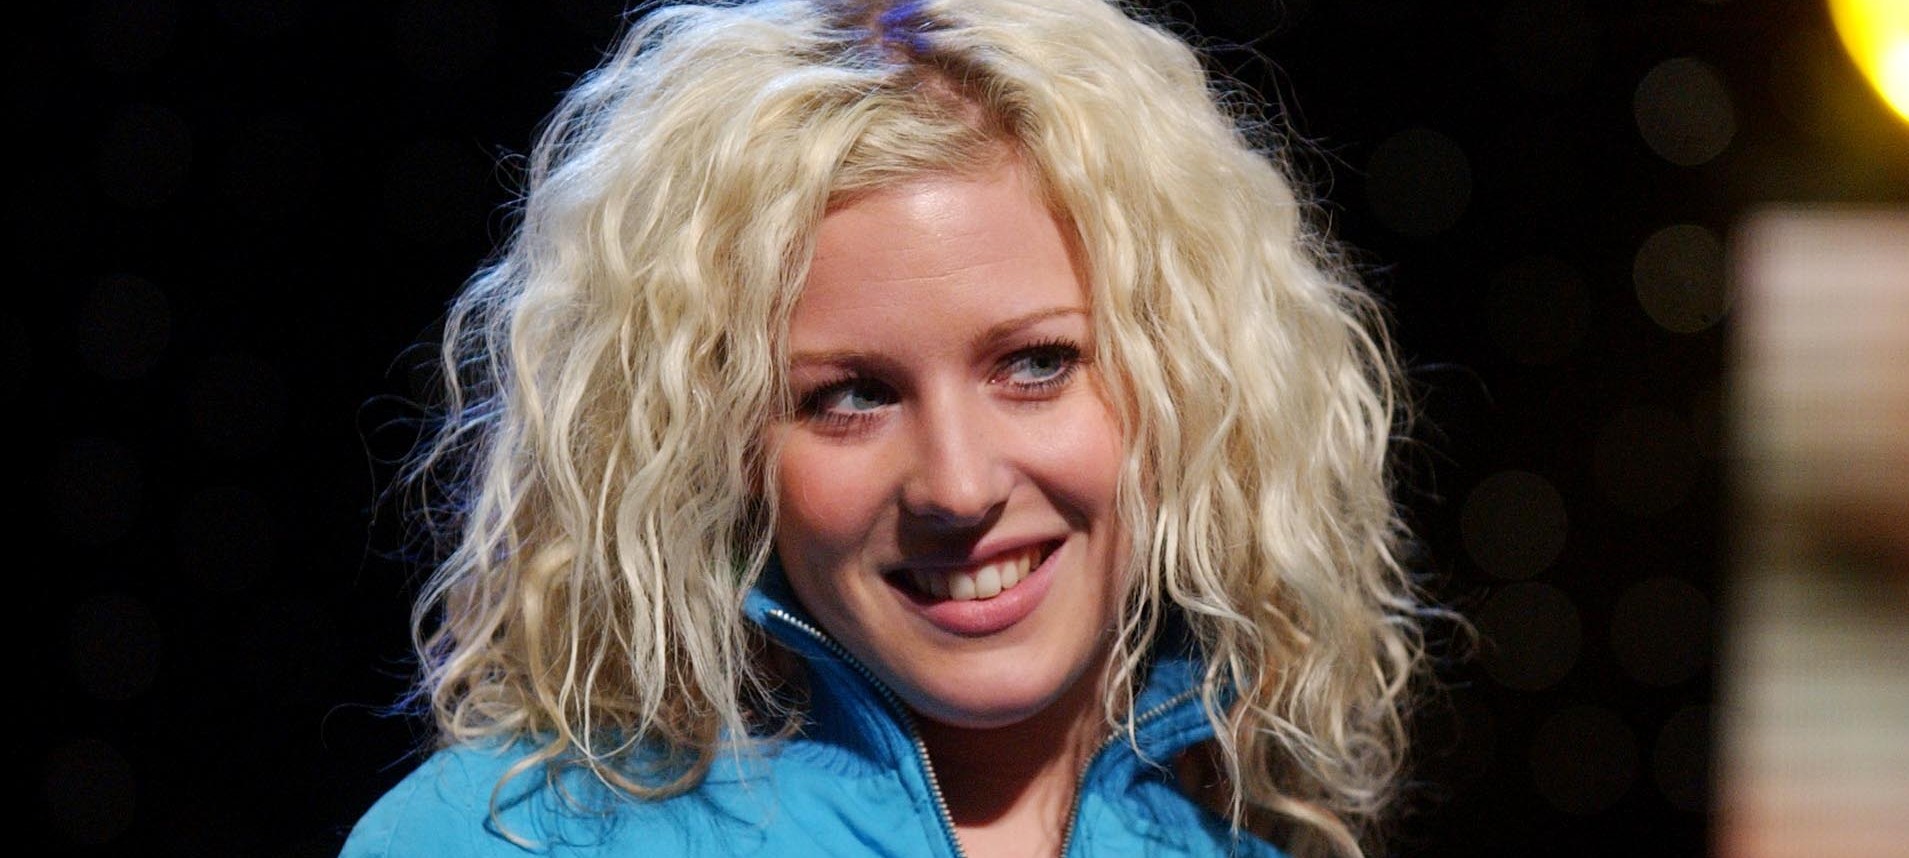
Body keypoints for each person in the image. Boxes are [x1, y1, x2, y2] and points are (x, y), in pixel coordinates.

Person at [342, 0, 1427, 856]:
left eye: (1036, 365)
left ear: (1183, 382)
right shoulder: (495, 839)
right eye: (849, 396)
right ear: (717, 447)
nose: (957, 486)